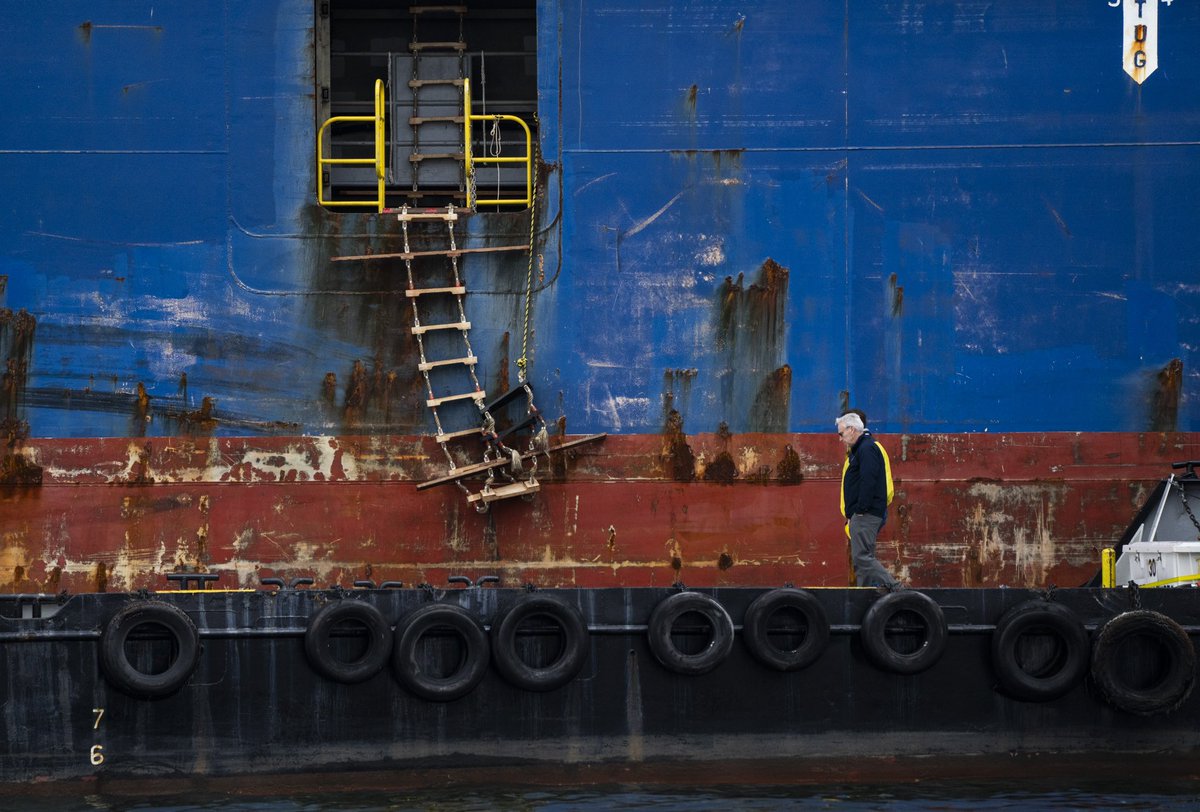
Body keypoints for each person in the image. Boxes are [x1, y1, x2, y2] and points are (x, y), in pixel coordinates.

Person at [836, 412, 899, 589]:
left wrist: (860, 509)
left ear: (851, 429)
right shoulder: (861, 449)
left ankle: (894, 586)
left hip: (866, 514)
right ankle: (863, 596)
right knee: (862, 562)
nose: (840, 439)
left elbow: (869, 479)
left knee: (862, 557)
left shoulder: (867, 448)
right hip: (863, 514)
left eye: (841, 434)